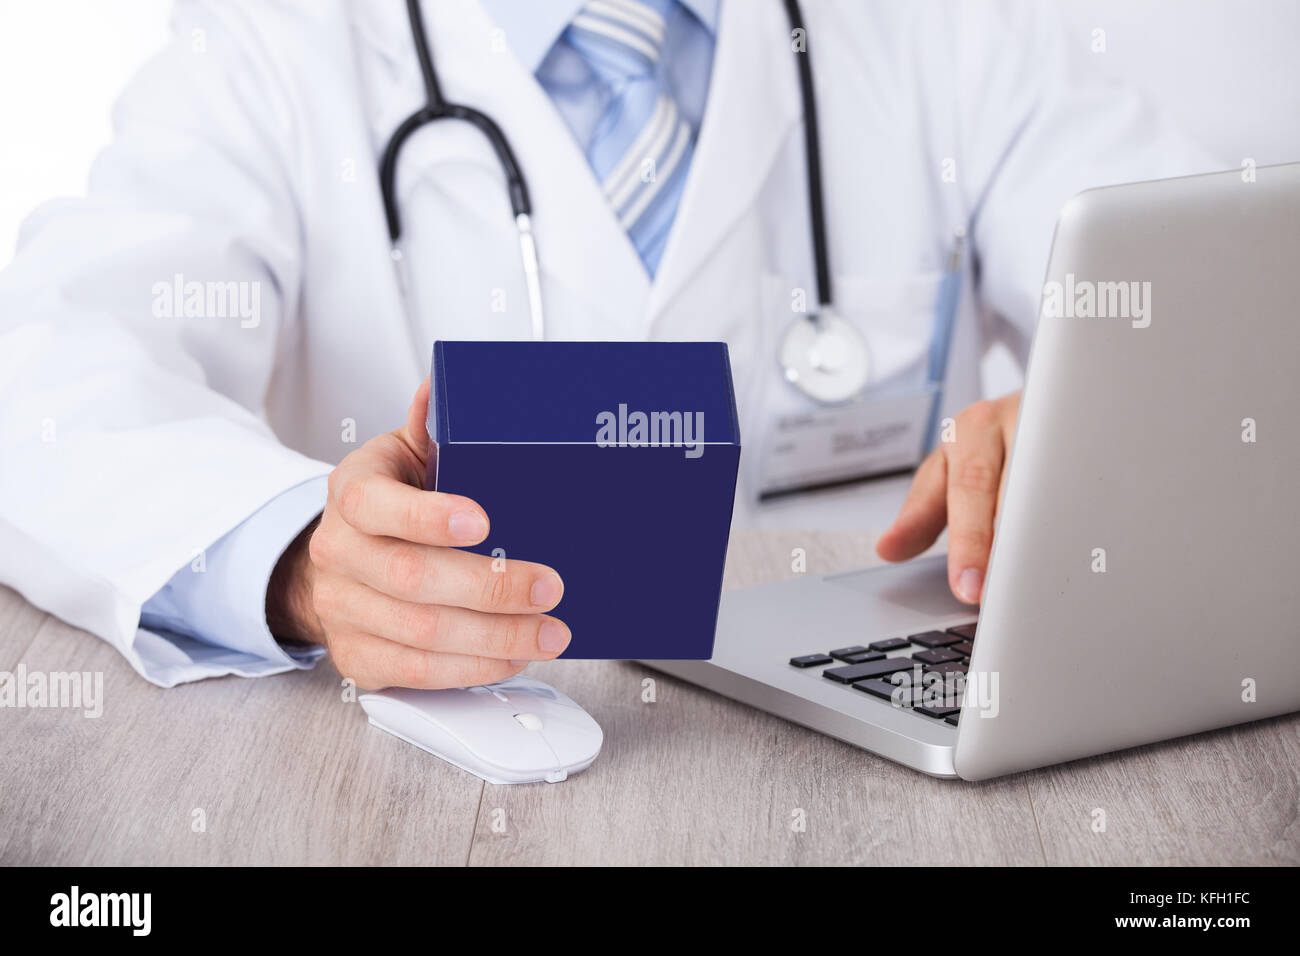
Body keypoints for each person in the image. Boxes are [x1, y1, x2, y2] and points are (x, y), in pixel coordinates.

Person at [0, 0, 1215, 689]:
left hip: (880, 752)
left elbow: (1209, 277)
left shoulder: (938, 29)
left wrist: (1100, 404)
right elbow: (44, 375)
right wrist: (301, 559)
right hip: (432, 776)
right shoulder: (273, 43)